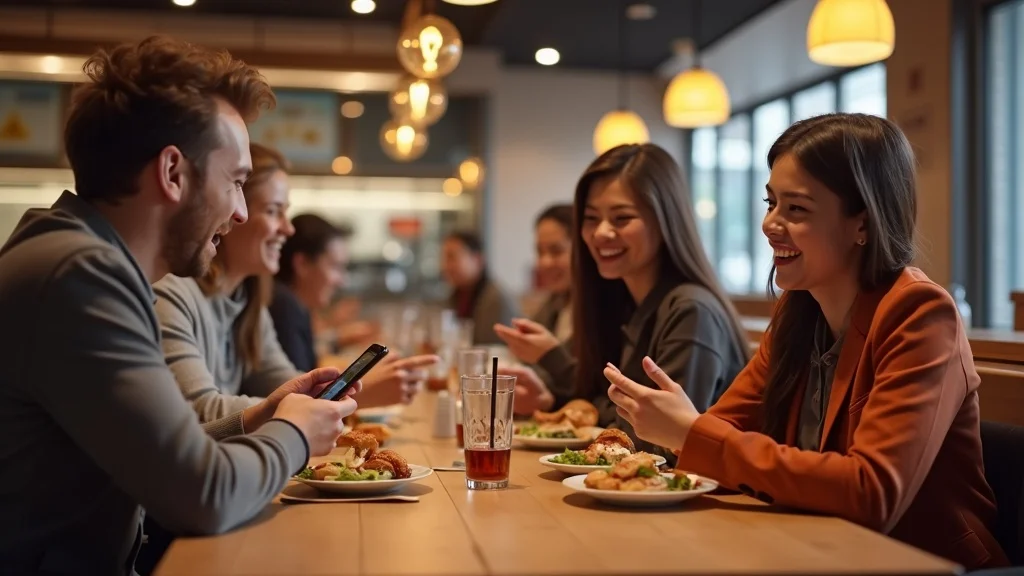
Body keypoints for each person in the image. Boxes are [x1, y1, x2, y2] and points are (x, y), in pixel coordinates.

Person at [0, 36, 358, 575]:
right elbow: (202, 495)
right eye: (236, 182)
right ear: (172, 173)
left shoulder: (80, 259)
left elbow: (153, 460)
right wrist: (296, 436)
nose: (240, 212)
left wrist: (260, 415)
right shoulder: (80, 277)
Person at [603, 114, 1008, 571]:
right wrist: (686, 431)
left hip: (918, 564)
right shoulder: (798, 312)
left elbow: (870, 492)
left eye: (795, 209)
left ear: (863, 223)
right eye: (770, 202)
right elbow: (724, 432)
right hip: (815, 551)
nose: (770, 224)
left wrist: (692, 433)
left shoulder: (919, 314)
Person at [495, 143, 750, 464]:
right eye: (591, 218)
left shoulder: (691, 310)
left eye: (621, 218)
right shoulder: (620, 299)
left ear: (664, 220)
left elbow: (665, 441)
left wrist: (565, 379)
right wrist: (549, 401)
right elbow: (605, 404)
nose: (601, 232)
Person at [154, 144, 436, 425]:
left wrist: (337, 391)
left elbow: (286, 383)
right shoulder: (171, 294)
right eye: (273, 211)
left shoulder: (248, 299)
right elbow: (199, 413)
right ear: (233, 211)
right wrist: (352, 397)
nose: (288, 230)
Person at [270, 214, 375, 372]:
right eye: (335, 267)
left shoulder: (291, 305)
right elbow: (298, 390)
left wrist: (338, 340)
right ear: (302, 263)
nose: (342, 281)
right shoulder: (284, 307)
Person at [441, 230, 518, 346]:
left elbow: (492, 349)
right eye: (444, 259)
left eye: (452, 257)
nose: (445, 266)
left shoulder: (494, 299)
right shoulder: (456, 295)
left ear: (477, 259)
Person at [530, 204, 574, 342]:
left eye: (556, 251)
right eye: (540, 252)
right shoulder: (554, 303)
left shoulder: (603, 312)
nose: (544, 262)